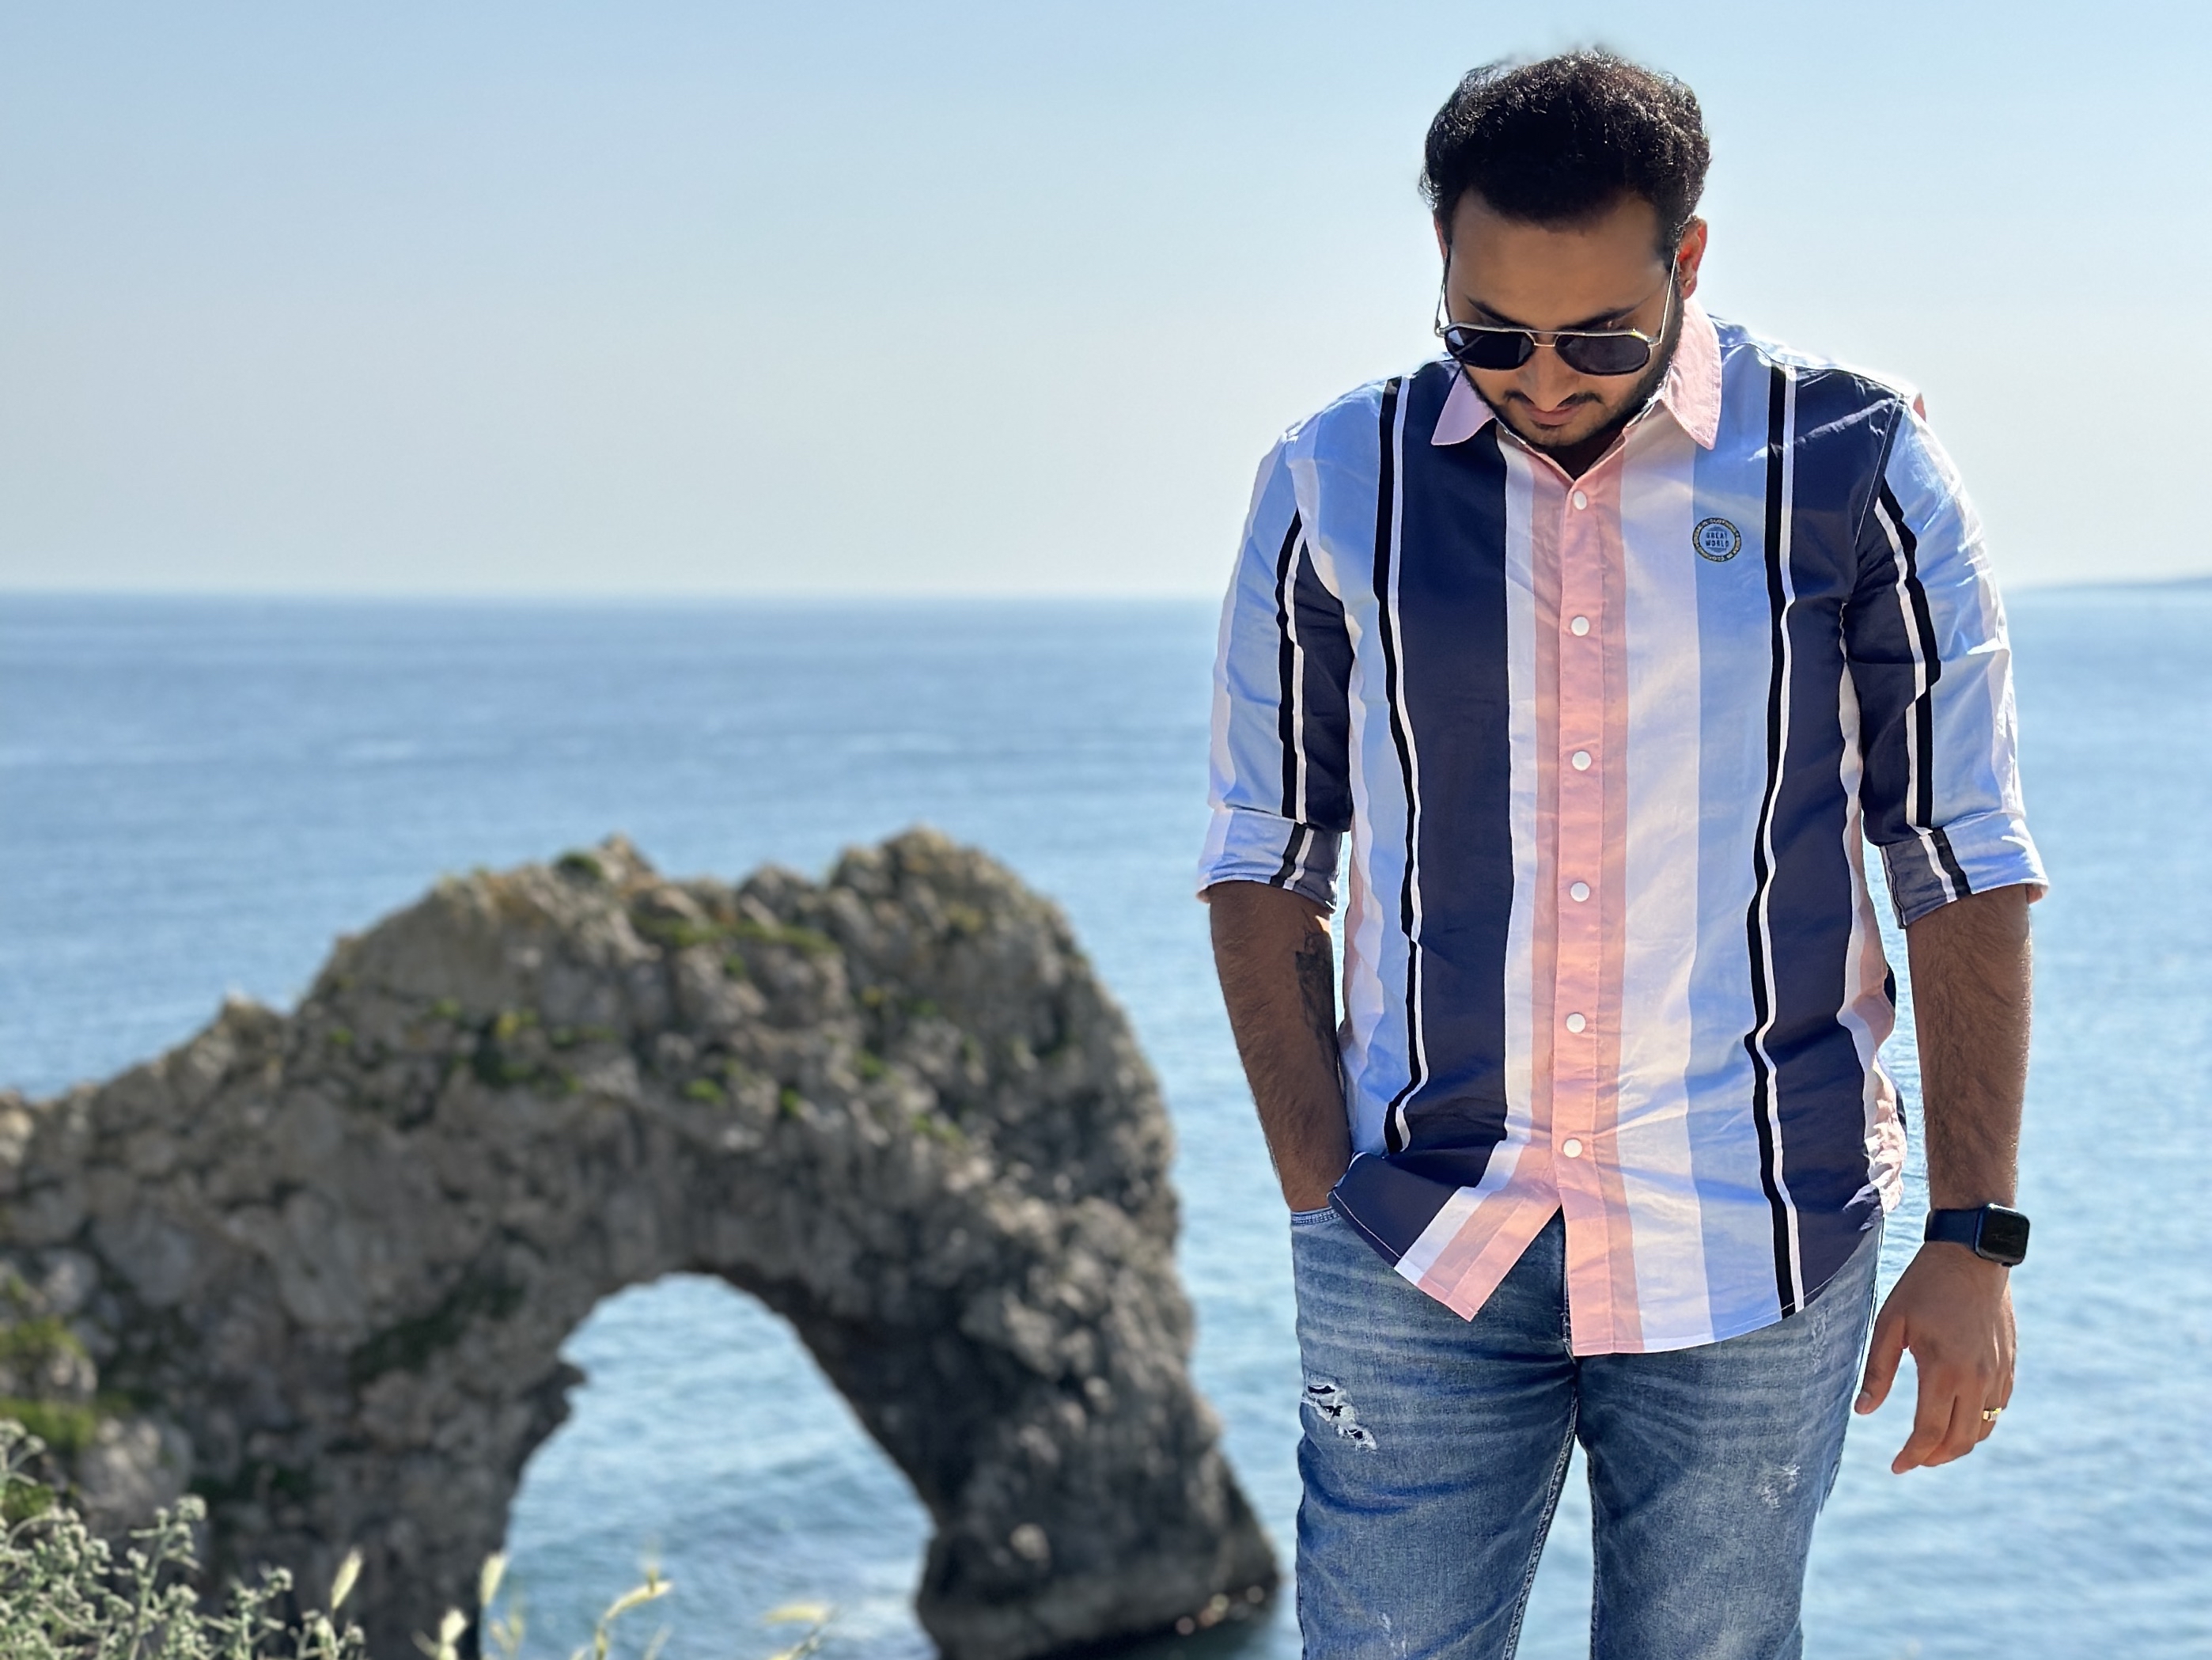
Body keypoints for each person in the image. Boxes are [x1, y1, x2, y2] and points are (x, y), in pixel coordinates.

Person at [1198, 50, 2046, 1660]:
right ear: (1439, 260)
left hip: (1760, 1233)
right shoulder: (1332, 479)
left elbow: (1960, 859)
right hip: (1417, 1231)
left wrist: (1973, 1231)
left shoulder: (1859, 465)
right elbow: (1264, 856)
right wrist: (1321, 1193)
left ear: (1689, 259)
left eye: (1597, 336)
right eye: (1489, 334)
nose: (1542, 378)